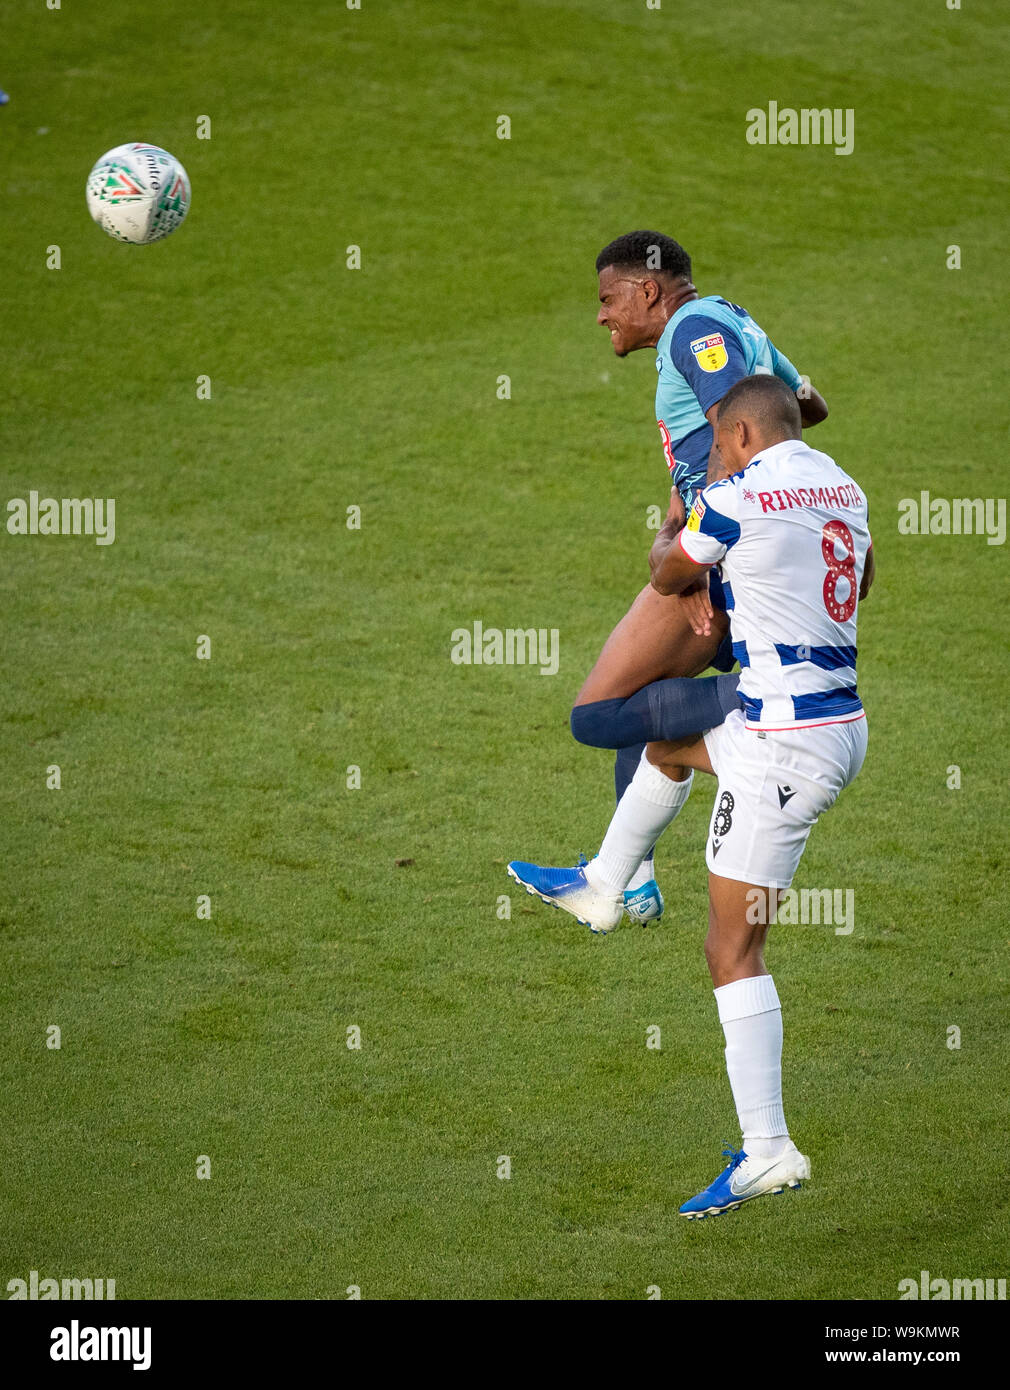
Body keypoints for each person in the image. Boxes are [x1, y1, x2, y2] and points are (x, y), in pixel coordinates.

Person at [509, 374, 874, 1217]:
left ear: (743, 434)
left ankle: (769, 1150)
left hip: (784, 748)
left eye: (716, 444)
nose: (711, 458)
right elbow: (861, 579)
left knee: (731, 953)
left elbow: (672, 571)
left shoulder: (742, 490)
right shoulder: (844, 486)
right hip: (825, 719)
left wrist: (675, 527)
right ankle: (606, 883)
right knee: (666, 744)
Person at [574, 231, 828, 925]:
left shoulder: (696, 329)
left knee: (597, 713)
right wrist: (684, 508)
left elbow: (736, 434)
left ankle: (767, 702)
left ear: (648, 289)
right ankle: (630, 880)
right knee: (648, 693)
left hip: (728, 557)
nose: (602, 315)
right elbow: (807, 407)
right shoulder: (733, 319)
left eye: (607, 298)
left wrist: (700, 550)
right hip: (749, 548)